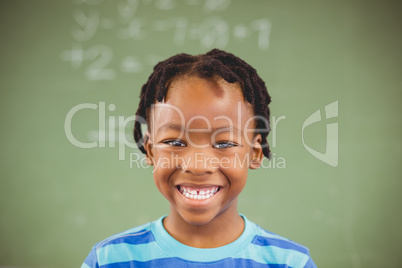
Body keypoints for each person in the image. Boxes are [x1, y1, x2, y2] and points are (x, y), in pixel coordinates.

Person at [81, 49, 317, 267]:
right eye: (175, 142)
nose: (198, 165)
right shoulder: (109, 260)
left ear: (255, 154)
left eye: (224, 143)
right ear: (150, 151)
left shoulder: (291, 263)